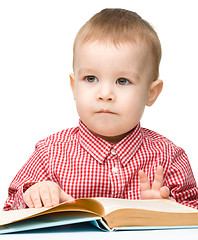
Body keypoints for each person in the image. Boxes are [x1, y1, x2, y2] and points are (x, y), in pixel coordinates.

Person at [3, 8, 198, 211]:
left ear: (152, 93)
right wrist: (35, 194)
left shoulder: (169, 157)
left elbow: (193, 213)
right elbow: (9, 209)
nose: (105, 94)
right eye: (90, 78)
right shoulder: (49, 154)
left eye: (123, 81)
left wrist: (166, 209)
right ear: (74, 86)